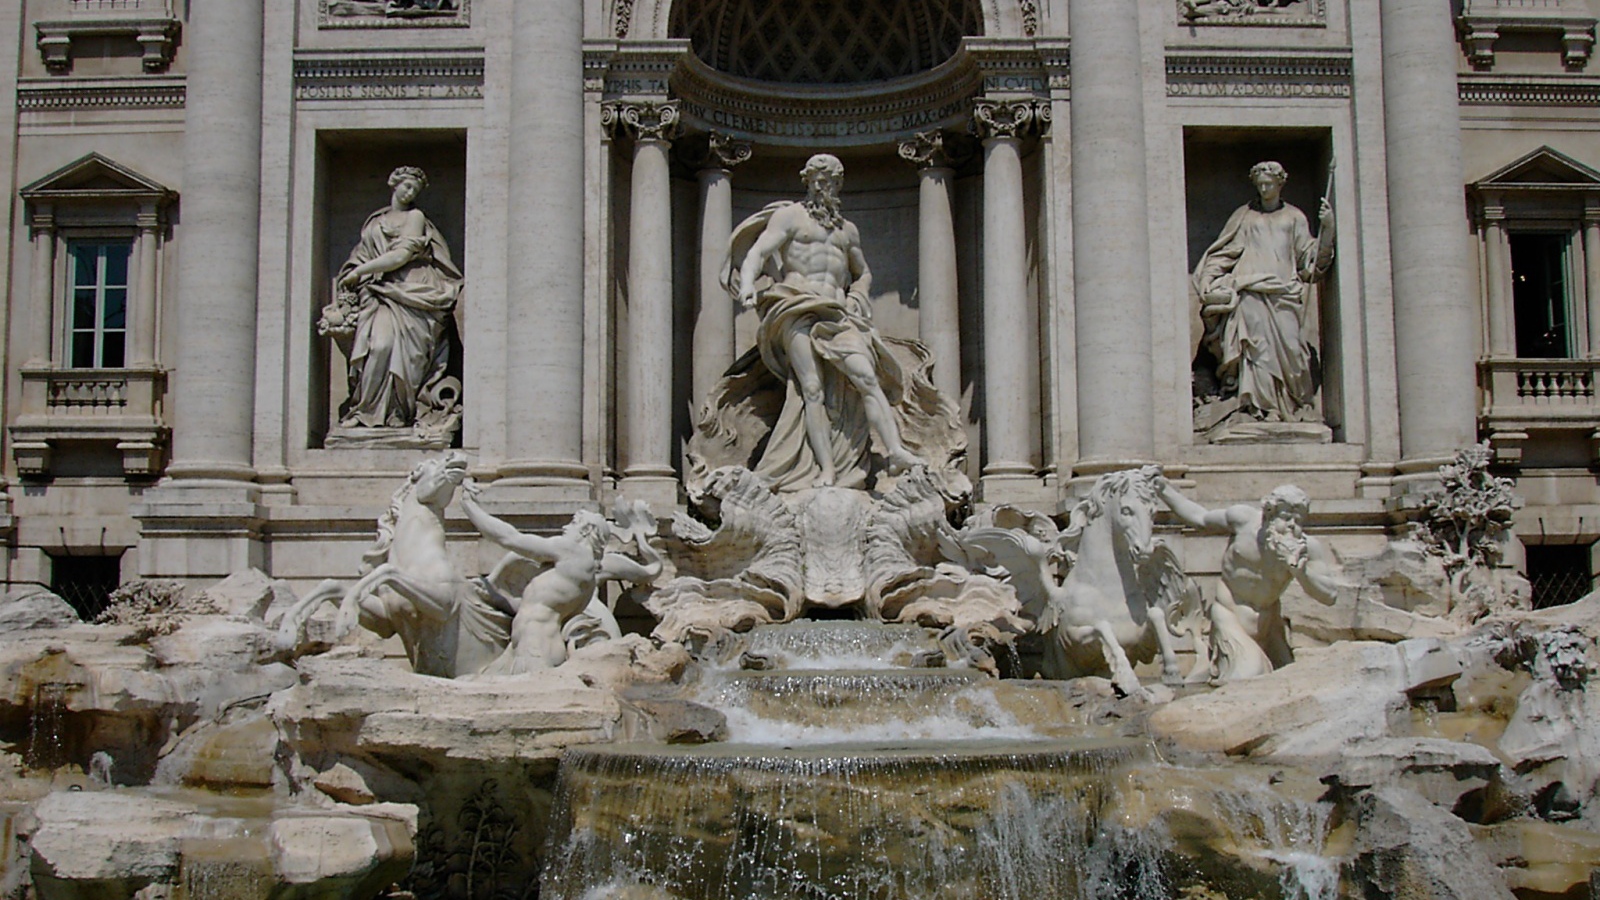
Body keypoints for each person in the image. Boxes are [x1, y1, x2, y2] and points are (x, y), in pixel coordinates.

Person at [722, 153, 923, 490]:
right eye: (815, 179)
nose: (821, 185)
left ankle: (896, 451)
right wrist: (746, 286)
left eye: (827, 180)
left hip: (838, 312)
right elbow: (758, 252)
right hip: (795, 305)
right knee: (811, 388)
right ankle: (827, 471)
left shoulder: (847, 232)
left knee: (866, 376)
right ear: (807, 181)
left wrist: (859, 295)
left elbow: (863, 273)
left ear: (837, 185)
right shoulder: (790, 217)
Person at [459, 481, 662, 672]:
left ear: (586, 530)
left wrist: (469, 506)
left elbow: (510, 537)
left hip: (535, 649)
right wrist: (496, 599)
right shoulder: (585, 573)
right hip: (526, 647)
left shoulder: (573, 552)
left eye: (573, 523)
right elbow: (537, 606)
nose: (565, 527)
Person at [1154, 477, 1342, 678]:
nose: (1292, 525)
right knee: (1250, 673)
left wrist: (1300, 571)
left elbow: (1329, 595)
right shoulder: (1243, 521)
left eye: (1298, 520)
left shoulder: (1306, 548)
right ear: (1269, 514)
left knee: (1289, 678)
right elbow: (1200, 518)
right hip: (1229, 616)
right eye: (1286, 517)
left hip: (1269, 626)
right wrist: (1165, 491)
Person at [324, 166, 463, 434]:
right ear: (394, 184)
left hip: (411, 292)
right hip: (378, 294)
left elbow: (400, 256)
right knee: (378, 346)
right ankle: (365, 411)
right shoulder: (375, 222)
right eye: (407, 186)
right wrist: (355, 274)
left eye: (415, 190)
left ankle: (399, 413)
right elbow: (361, 255)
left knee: (403, 355)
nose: (410, 192)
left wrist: (359, 272)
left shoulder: (416, 217)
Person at [1193, 161, 1334, 422]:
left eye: (1269, 183)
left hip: (1284, 293)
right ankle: (1258, 408)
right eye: (1260, 184)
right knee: (1255, 351)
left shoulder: (1294, 218)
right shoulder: (1245, 216)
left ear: (1280, 183)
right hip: (1250, 291)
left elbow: (1311, 263)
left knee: (1293, 350)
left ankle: (1290, 405)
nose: (1264, 188)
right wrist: (1208, 278)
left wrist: (1328, 229)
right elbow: (1224, 252)